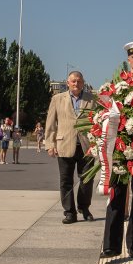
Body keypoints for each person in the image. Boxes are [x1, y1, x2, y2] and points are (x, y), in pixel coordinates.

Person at [101, 41, 133, 259]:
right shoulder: (118, 84)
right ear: (128, 60)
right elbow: (106, 111)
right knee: (116, 196)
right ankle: (111, 246)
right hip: (121, 149)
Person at [45, 70, 94, 224]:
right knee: (65, 181)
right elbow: (51, 123)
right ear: (67, 83)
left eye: (79, 81)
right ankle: (69, 212)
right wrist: (50, 144)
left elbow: (98, 122)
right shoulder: (57, 99)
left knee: (87, 179)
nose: (76, 83)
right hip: (64, 144)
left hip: (86, 146)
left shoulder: (92, 99)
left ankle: (84, 207)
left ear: (83, 83)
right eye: (73, 81)